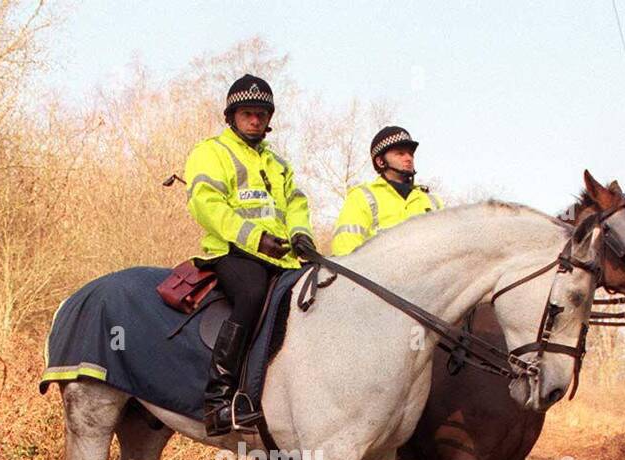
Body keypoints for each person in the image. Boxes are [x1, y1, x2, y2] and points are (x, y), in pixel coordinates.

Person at [184, 74, 315, 435]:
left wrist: (302, 236)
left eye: (261, 114)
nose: (255, 120)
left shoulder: (280, 164)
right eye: (247, 113)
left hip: (283, 258)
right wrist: (256, 240)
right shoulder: (211, 151)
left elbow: (297, 205)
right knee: (252, 295)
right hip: (233, 253)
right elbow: (206, 205)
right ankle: (219, 400)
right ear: (231, 117)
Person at [332, 126, 443, 256]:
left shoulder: (433, 201)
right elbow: (345, 250)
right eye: (400, 154)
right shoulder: (361, 196)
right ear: (380, 161)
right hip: (374, 275)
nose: (409, 158)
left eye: (411, 154)